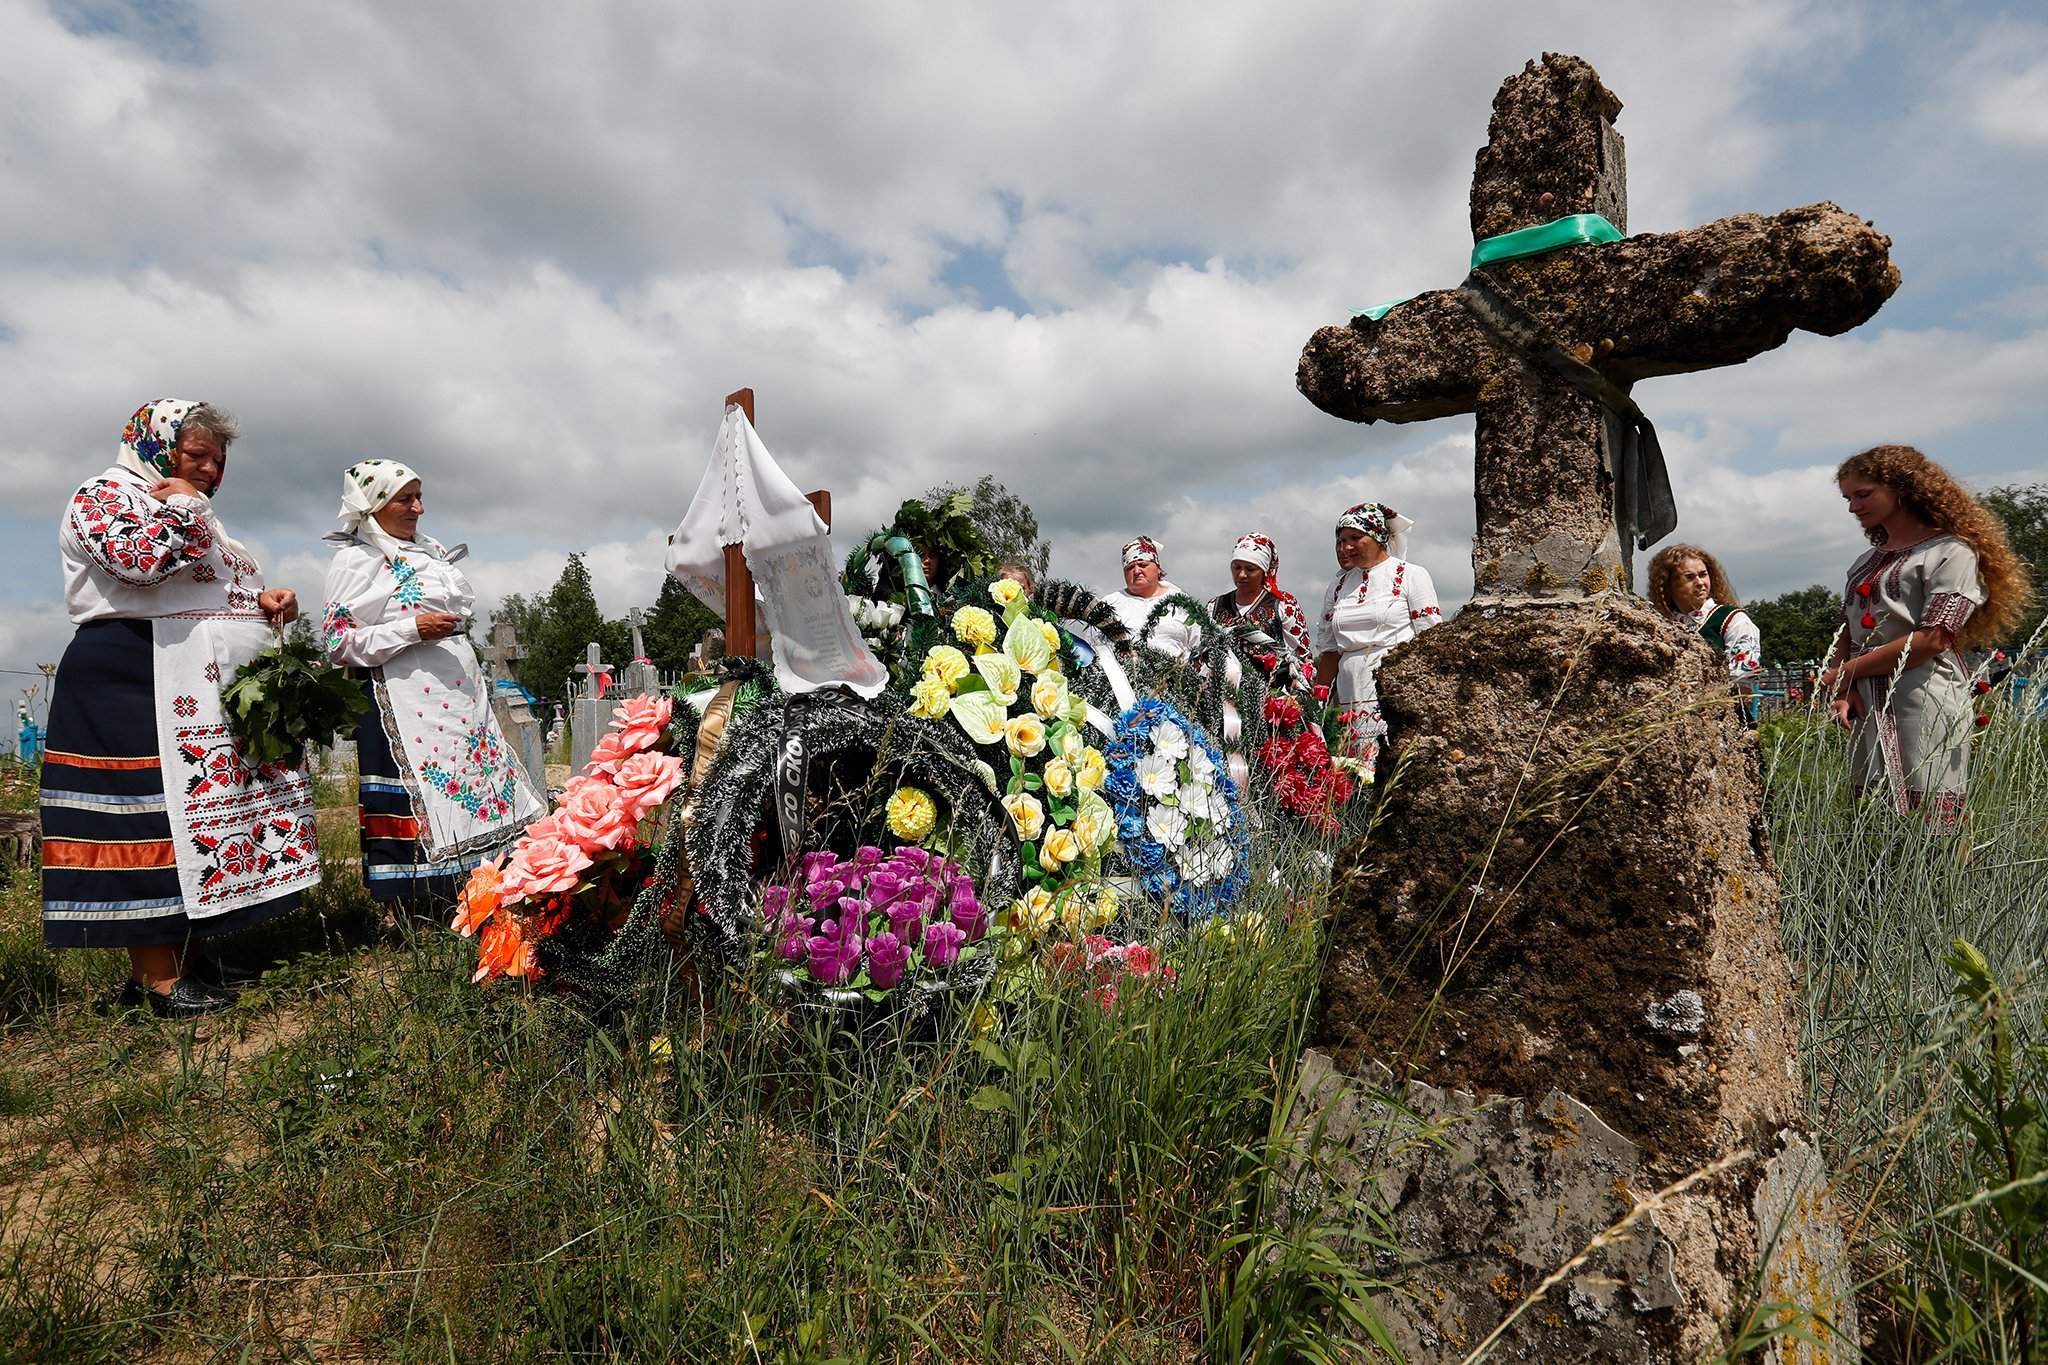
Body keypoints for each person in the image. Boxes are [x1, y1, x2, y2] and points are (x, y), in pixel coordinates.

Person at [40, 400, 316, 1017]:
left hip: (184, 679)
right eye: (198, 457)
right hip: (133, 675)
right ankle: (155, 979)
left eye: (219, 461)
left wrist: (261, 599)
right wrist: (189, 506)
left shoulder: (196, 512)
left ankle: (190, 957)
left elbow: (207, 582)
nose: (212, 472)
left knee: (195, 822)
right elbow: (143, 562)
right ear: (157, 444)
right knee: (152, 819)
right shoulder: (105, 493)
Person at [321, 460, 543, 910]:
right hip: (404, 697)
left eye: (419, 497)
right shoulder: (356, 560)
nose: (418, 508)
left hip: (459, 695)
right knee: (415, 793)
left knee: (472, 785)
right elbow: (337, 642)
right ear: (374, 503)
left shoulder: (430, 551)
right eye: (405, 498)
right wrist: (411, 629)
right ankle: (407, 907)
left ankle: (479, 889)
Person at [1821, 445, 2028, 829]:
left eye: (1863, 494)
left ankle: (1951, 889)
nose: (1853, 507)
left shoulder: (1951, 553)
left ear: (1902, 488)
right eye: (1848, 498)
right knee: (1872, 823)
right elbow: (1847, 629)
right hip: (1867, 701)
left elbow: (1934, 637)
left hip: (1925, 695)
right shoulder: (1863, 563)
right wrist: (1843, 690)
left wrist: (1848, 671)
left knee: (1936, 820)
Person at [1313, 502, 1441, 773]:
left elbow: (1430, 639)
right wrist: (1318, 700)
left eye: (1355, 538)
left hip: (1392, 687)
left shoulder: (1410, 575)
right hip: (1347, 689)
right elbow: (1330, 649)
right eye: (1341, 540)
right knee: (1348, 767)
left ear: (1378, 536)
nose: (1345, 547)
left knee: (1386, 762)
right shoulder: (1338, 585)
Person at [1646, 543, 1763, 687]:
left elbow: (1744, 673)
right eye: (1689, 577)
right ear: (1668, 585)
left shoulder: (1732, 620)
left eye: (1703, 575)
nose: (1700, 583)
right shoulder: (1660, 626)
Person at [1208, 532, 1315, 685]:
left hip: (1272, 695)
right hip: (1222, 693)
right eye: (1236, 567)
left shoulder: (1284, 605)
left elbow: (1301, 657)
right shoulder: (1215, 606)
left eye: (1250, 569)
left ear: (1264, 571)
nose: (1242, 574)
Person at [1102, 536, 1201, 658]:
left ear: (1158, 569)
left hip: (1177, 672)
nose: (1137, 571)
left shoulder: (1182, 602)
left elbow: (1201, 645)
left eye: (1143, 565)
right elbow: (1095, 647)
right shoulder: (1109, 604)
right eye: (1130, 568)